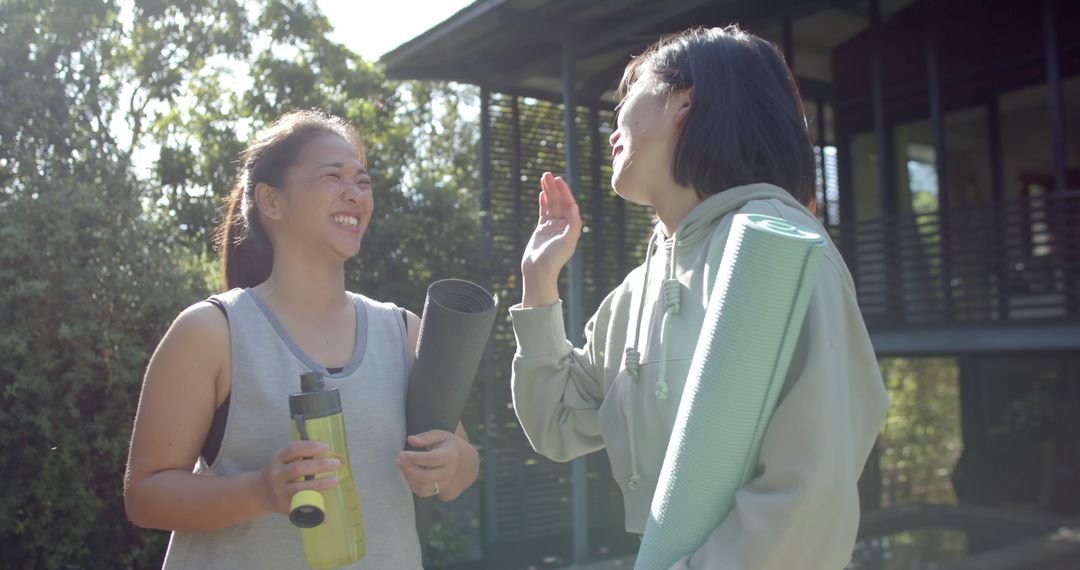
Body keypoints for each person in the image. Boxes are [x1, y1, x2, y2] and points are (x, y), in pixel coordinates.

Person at [510, 26, 889, 569]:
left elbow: (810, 493)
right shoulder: (634, 292)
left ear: (684, 102)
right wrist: (539, 282)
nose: (612, 124)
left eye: (629, 96)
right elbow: (556, 425)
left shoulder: (776, 243)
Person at [124, 109, 479, 569]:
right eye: (333, 176)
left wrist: (453, 465)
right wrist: (260, 491)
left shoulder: (403, 330)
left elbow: (461, 464)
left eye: (363, 182)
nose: (354, 194)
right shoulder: (211, 332)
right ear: (272, 201)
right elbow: (145, 496)